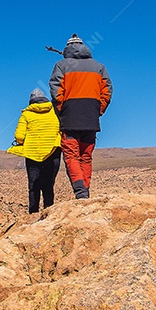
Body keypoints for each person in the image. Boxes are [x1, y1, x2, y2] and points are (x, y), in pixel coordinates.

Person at [49, 34, 112, 199]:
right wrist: (97, 110)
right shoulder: (99, 67)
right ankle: (85, 191)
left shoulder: (61, 65)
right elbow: (107, 92)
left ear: (67, 49)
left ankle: (80, 192)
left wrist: (63, 109)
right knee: (86, 156)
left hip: (70, 117)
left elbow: (56, 91)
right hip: (91, 117)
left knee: (71, 155)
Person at [8, 88, 62, 213]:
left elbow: (19, 137)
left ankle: (33, 213)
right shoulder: (55, 111)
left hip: (33, 154)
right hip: (52, 152)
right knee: (48, 185)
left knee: (34, 185)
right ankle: (49, 211)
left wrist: (24, 142)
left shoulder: (26, 114)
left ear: (31, 101)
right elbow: (61, 129)